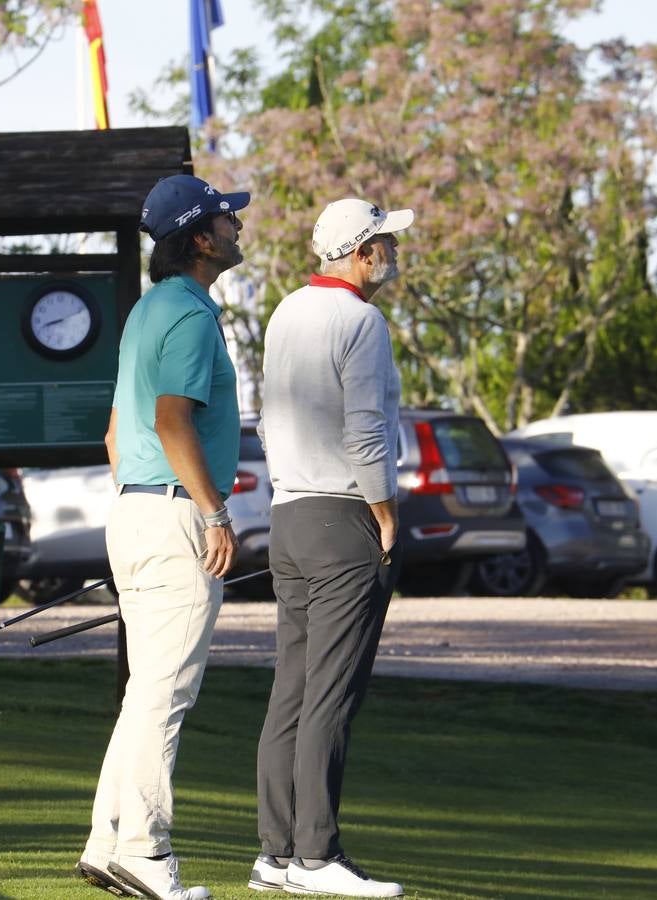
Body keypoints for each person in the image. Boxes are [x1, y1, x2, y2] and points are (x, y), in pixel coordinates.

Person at [76, 174, 247, 900]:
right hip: (175, 516)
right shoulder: (192, 315)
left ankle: (107, 841)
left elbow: (117, 433)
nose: (237, 230)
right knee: (163, 696)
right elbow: (172, 421)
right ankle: (145, 852)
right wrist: (212, 512)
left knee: (144, 692)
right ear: (200, 239)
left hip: (135, 511)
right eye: (225, 222)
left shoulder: (150, 311)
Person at [250, 198, 412, 897]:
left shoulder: (286, 311)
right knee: (330, 693)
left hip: (288, 513)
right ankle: (317, 857)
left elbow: (265, 418)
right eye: (383, 241)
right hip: (343, 514)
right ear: (360, 251)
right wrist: (385, 512)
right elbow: (365, 429)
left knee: (292, 688)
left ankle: (276, 853)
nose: (392, 252)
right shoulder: (360, 320)